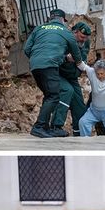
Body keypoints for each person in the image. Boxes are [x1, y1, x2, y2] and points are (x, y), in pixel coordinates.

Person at [23, 9, 83, 138]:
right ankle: (39, 127)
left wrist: (37, 58)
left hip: (35, 66)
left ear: (50, 18)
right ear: (62, 20)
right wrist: (80, 64)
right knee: (54, 96)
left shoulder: (39, 29)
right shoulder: (66, 32)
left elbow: (26, 49)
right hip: (49, 66)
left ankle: (46, 127)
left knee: (49, 95)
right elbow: (76, 53)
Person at [57, 22, 92, 136]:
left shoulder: (85, 42)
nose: (84, 40)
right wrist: (66, 59)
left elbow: (84, 57)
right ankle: (56, 127)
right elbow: (56, 57)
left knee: (79, 106)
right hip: (60, 74)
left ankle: (79, 133)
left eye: (86, 37)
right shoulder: (65, 39)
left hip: (73, 76)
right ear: (75, 32)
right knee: (67, 92)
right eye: (82, 37)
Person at [77, 59, 105, 136]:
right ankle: (84, 144)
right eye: (98, 73)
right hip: (94, 111)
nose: (99, 76)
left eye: (102, 73)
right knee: (83, 122)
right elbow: (81, 65)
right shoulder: (92, 73)